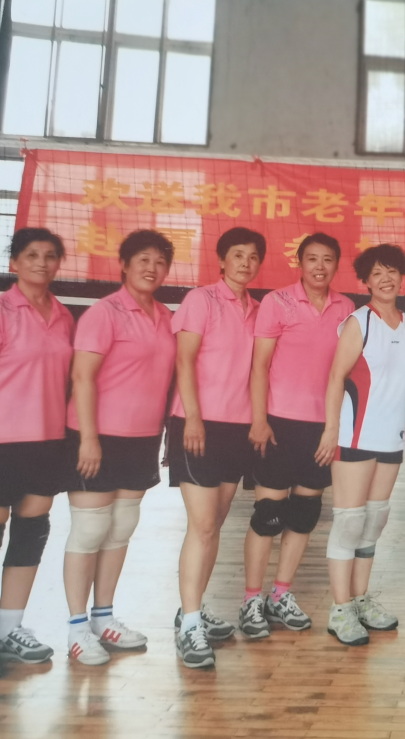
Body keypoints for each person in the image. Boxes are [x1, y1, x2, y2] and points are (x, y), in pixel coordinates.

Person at [63, 230, 177, 666]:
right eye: (143, 259)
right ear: (124, 265)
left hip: (142, 438)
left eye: (160, 262)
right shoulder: (104, 313)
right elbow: (82, 377)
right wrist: (89, 438)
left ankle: (103, 617)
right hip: (95, 437)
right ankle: (77, 628)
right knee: (89, 530)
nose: (152, 268)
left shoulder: (165, 316)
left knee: (121, 527)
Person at [242, 233, 354, 637]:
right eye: (312, 259)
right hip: (277, 424)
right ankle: (251, 600)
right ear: (300, 263)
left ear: (336, 265)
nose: (319, 267)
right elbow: (259, 366)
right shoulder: (277, 302)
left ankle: (280, 595)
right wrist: (259, 420)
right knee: (268, 516)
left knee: (304, 515)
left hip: (321, 429)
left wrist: (333, 428)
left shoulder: (346, 308)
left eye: (327, 259)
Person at [167, 227, 265, 668]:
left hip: (237, 428)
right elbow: (183, 359)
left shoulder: (258, 310)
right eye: (237, 255)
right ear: (221, 260)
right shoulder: (200, 300)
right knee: (203, 525)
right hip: (197, 426)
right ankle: (190, 624)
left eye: (253, 256)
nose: (246, 262)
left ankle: (193, 607)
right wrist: (192, 417)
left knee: (215, 524)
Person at [315, 244, 405, 646]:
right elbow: (336, 377)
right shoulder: (359, 322)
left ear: (402, 276)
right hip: (354, 438)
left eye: (392, 271)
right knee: (349, 522)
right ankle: (340, 609)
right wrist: (330, 430)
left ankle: (359, 599)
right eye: (377, 273)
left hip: (391, 440)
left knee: (374, 521)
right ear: (366, 281)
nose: (386, 279)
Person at [0, 229, 74, 671]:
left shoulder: (64, 316)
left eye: (50, 256)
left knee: (31, 532)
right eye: (31, 255)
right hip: (3, 440)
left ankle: (9, 627)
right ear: (14, 263)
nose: (42, 263)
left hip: (47, 442)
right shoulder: (3, 309)